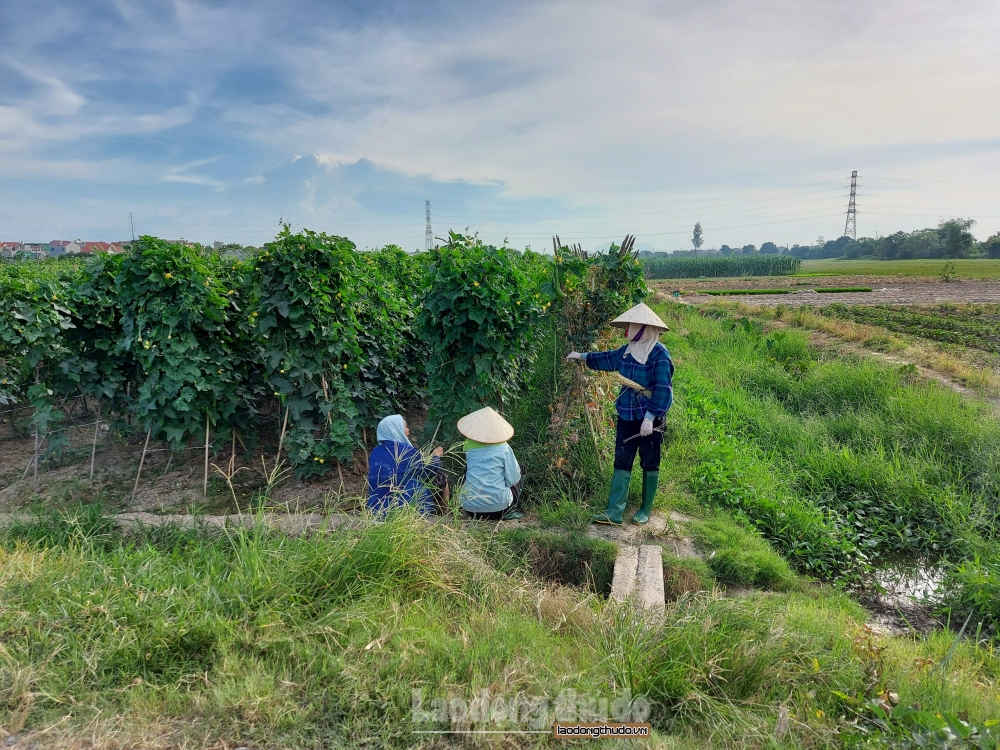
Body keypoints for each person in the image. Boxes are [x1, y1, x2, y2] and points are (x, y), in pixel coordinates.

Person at [566, 302, 674, 526]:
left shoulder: (659, 355)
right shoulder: (627, 351)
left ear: (645, 328)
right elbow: (608, 358)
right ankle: (614, 512)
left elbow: (663, 389)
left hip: (649, 419)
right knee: (622, 460)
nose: (628, 331)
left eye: (632, 326)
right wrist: (582, 356)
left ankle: (645, 510)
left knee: (650, 461)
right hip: (626, 415)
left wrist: (650, 418)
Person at [366, 414, 447, 515]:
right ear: (396, 430)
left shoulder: (375, 452)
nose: (408, 431)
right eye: (405, 427)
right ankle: (444, 513)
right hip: (404, 508)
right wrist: (436, 456)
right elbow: (428, 471)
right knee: (441, 477)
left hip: (376, 508)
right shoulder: (407, 451)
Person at [457, 406, 524, 521]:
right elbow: (513, 479)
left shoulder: (469, 449)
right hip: (499, 510)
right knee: (519, 469)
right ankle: (515, 505)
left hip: (471, 509)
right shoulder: (504, 448)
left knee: (467, 471)